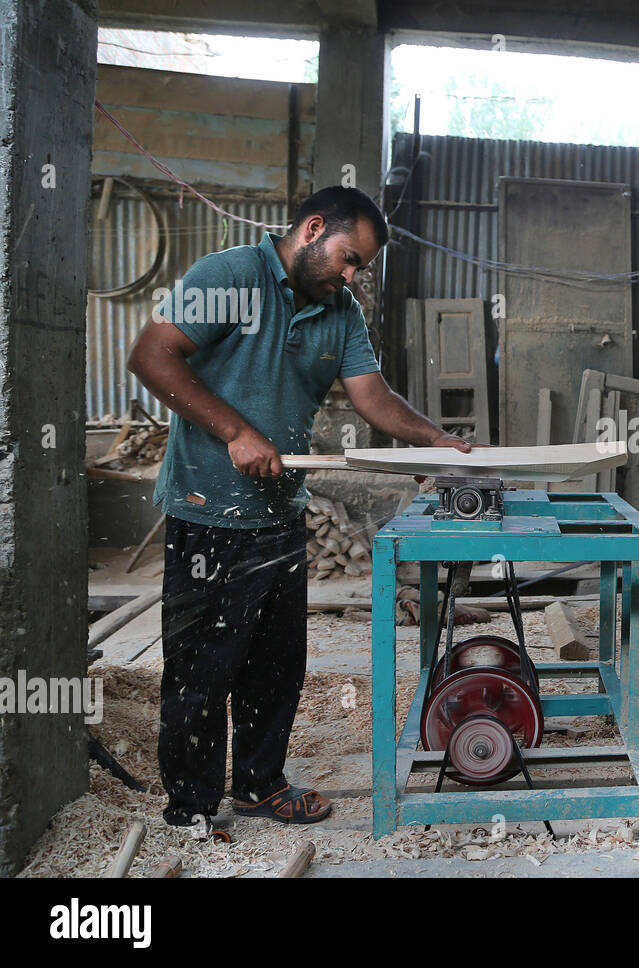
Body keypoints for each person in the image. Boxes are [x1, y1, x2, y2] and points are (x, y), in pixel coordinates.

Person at [127, 186, 472, 828]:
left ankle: (259, 786)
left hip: (280, 511)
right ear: (312, 228)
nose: (350, 275)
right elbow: (150, 355)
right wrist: (235, 431)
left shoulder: (340, 312)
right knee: (202, 670)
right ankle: (191, 807)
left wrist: (433, 439)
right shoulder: (228, 276)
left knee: (277, 667)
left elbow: (372, 395)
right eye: (347, 258)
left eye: (360, 268)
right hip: (207, 511)